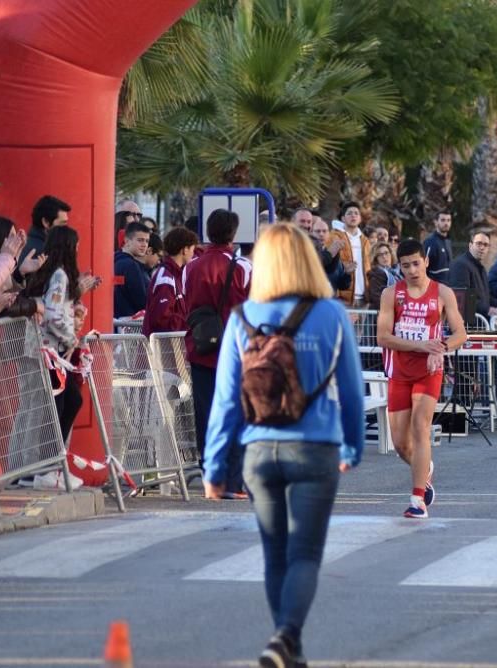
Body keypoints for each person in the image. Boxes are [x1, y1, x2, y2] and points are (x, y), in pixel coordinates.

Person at [202, 223, 364, 668]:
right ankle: (286, 636)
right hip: (316, 448)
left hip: (259, 451)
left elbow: (225, 401)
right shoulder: (330, 314)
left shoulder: (242, 317)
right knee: (306, 554)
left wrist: (214, 469)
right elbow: (351, 391)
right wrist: (354, 447)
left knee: (275, 555)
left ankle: (289, 651)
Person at [377, 239, 467, 519]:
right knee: (402, 444)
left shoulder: (442, 293)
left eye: (416, 263)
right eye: (405, 266)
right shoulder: (391, 294)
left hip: (429, 371)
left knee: (421, 426)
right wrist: (422, 346)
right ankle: (424, 469)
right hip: (399, 372)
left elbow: (460, 333)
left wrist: (441, 347)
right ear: (399, 267)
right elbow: (383, 337)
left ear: (426, 261)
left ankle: (417, 500)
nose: (412, 270)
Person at [184, 209, 252, 482]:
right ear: (233, 234)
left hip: (201, 347)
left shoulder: (191, 266)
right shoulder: (244, 267)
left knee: (206, 413)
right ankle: (233, 478)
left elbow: (189, 302)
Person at [23, 226, 100, 443]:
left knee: (68, 402)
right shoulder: (59, 275)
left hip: (50, 352)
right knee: (57, 408)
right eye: (76, 244)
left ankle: (52, 463)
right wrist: (71, 339)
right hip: (51, 353)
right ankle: (48, 465)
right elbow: (53, 313)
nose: (78, 249)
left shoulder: (53, 273)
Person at [142, 227, 199, 336]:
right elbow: (161, 319)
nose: (193, 254)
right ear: (184, 250)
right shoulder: (166, 278)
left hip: (168, 346)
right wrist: (189, 321)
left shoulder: (173, 274)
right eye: (192, 249)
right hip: (162, 348)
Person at [449, 228, 497, 321]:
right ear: (470, 245)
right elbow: (461, 297)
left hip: (480, 324)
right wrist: (487, 309)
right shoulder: (461, 265)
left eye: (485, 245)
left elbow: (486, 298)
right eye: (479, 244)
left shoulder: (481, 268)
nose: (482, 247)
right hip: (466, 326)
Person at [326, 201, 370, 306]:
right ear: (343, 218)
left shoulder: (365, 241)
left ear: (360, 219)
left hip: (364, 297)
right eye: (349, 213)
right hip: (342, 297)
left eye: (356, 213)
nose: (353, 215)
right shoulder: (334, 236)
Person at [113, 222, 151, 318]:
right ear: (127, 240)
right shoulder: (131, 266)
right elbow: (142, 301)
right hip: (131, 324)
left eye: (147, 241)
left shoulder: (113, 260)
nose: (144, 245)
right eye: (140, 240)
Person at [22, 195, 71, 264]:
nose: (66, 229)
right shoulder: (45, 252)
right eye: (62, 223)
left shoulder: (28, 244)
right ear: (46, 222)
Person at [365, 241, 400, 309]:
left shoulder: (397, 272)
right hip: (385, 314)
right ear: (375, 259)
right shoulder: (376, 274)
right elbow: (377, 298)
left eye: (386, 253)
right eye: (380, 255)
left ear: (391, 254)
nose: (384, 256)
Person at [423, 210, 453, 284]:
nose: (446, 223)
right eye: (443, 220)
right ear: (436, 222)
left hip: (447, 288)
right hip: (434, 289)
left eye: (448, 220)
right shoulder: (430, 242)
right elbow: (423, 268)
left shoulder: (448, 242)